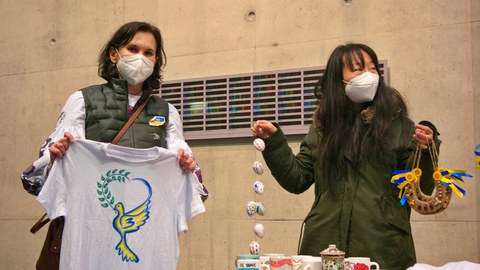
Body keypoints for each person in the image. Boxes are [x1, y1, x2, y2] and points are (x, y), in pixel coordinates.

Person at [21, 21, 208, 269]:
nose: (140, 57)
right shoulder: (82, 100)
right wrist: (56, 158)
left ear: (155, 61)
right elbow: (36, 180)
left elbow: (193, 190)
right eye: (133, 48)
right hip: (89, 235)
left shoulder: (167, 112)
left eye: (148, 52)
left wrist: (187, 168)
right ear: (114, 53)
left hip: (142, 242)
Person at [251, 43, 440, 270]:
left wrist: (426, 151)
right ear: (337, 79)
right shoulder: (323, 126)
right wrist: (274, 142)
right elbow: (297, 179)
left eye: (372, 68)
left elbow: (419, 188)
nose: (369, 75)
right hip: (324, 246)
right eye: (358, 69)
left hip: (383, 249)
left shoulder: (397, 124)